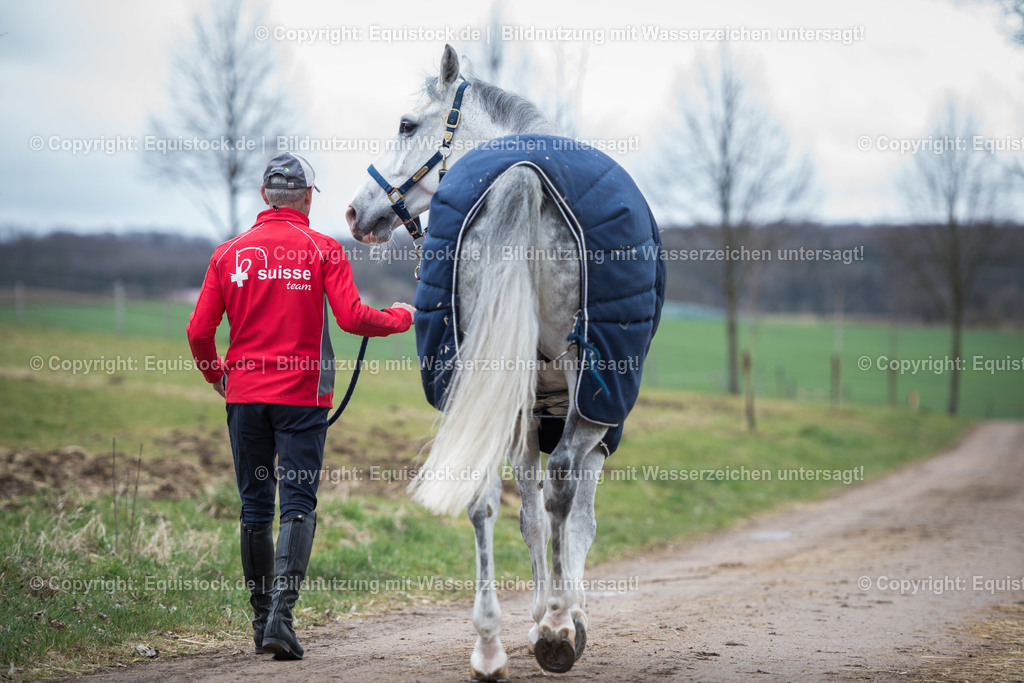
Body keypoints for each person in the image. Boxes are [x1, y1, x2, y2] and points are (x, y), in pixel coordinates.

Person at [186, 152, 414, 660]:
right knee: (297, 504)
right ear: (308, 196)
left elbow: (198, 331)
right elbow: (353, 318)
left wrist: (218, 376)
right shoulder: (323, 248)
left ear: (265, 195)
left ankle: (259, 618)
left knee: (253, 507)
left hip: (245, 397)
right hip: (302, 398)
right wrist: (400, 316)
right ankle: (280, 620)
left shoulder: (229, 253)